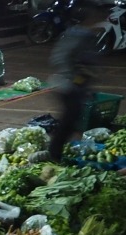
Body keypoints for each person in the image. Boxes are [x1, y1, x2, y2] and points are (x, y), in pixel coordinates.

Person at [47, 0, 107, 162]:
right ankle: (54, 154)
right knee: (68, 121)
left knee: (72, 120)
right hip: (68, 86)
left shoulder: (85, 34)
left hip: (75, 86)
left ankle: (58, 152)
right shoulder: (78, 35)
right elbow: (60, 57)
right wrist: (74, 75)